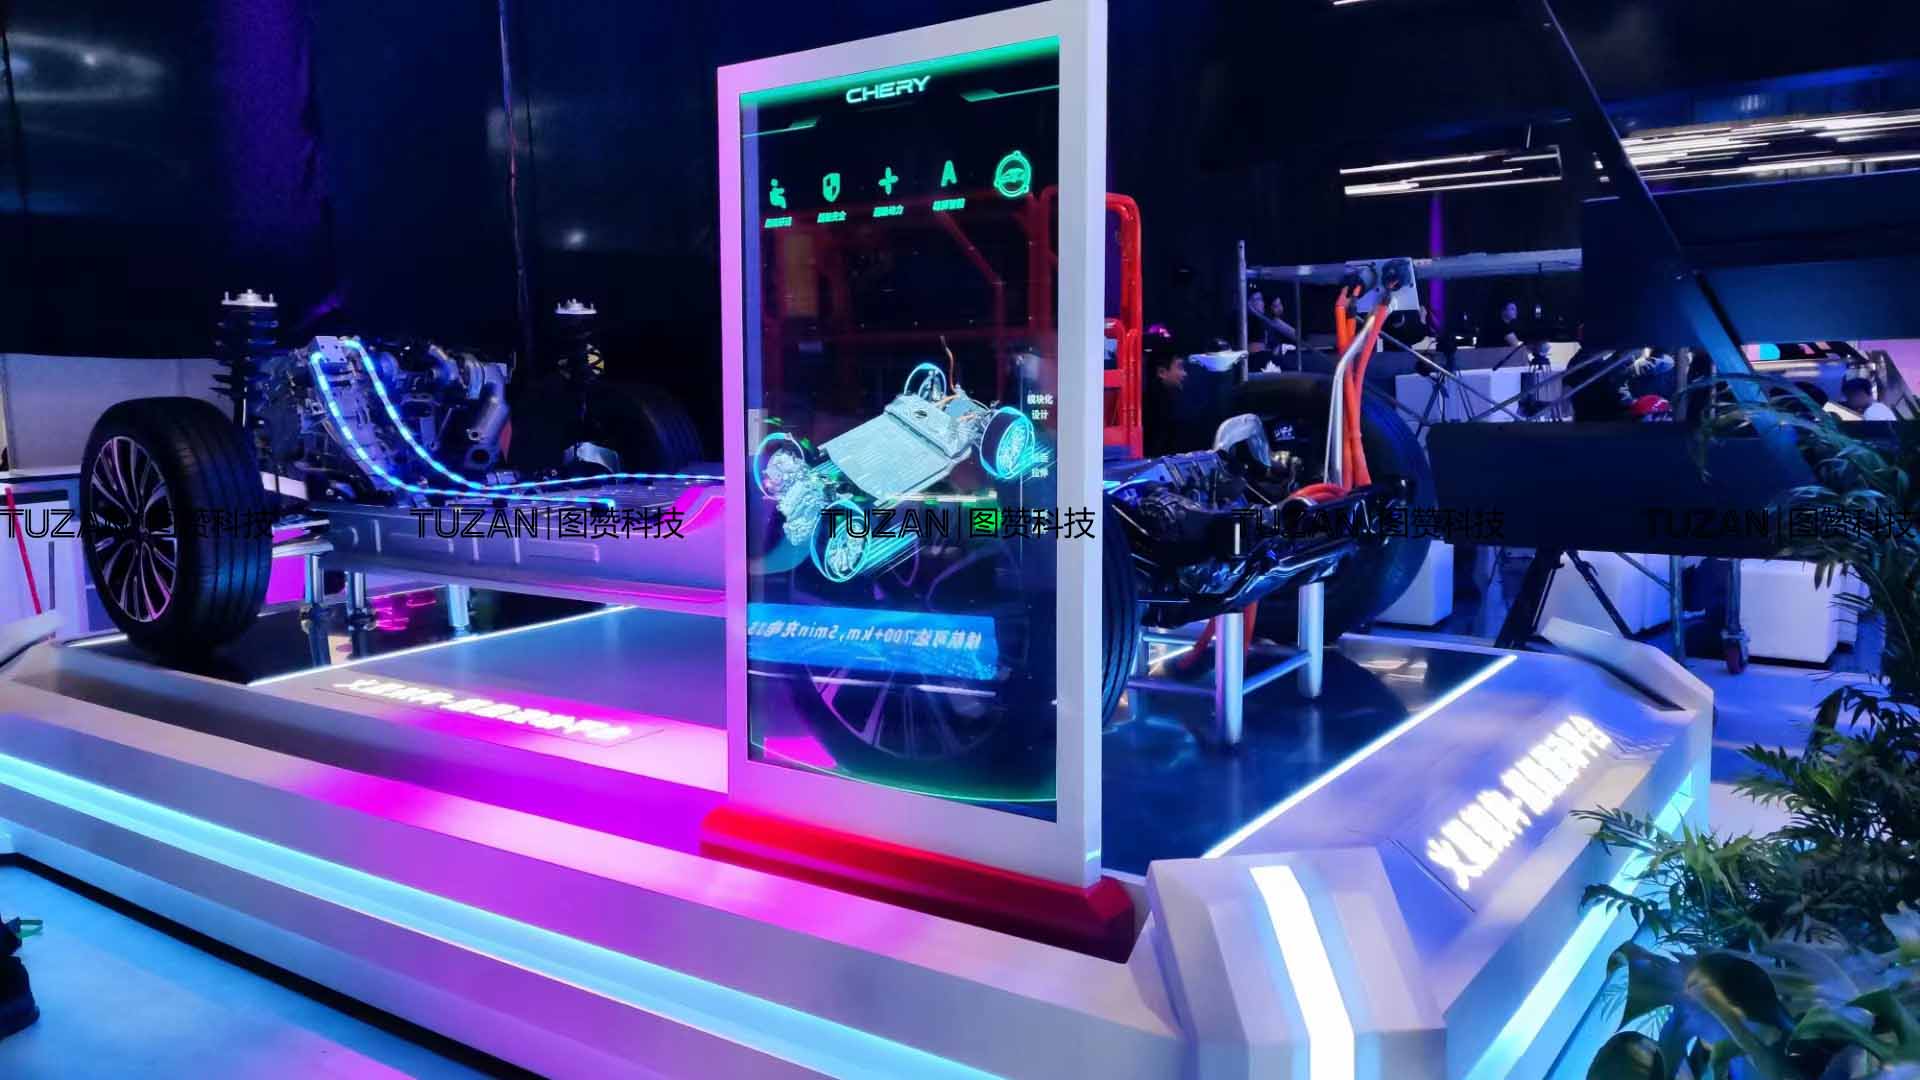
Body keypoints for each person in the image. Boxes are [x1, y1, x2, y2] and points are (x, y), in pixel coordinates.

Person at [1142, 333, 1188, 458]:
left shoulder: (1170, 400)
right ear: (1162, 372)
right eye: (1180, 367)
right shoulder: (1156, 407)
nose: (1184, 374)